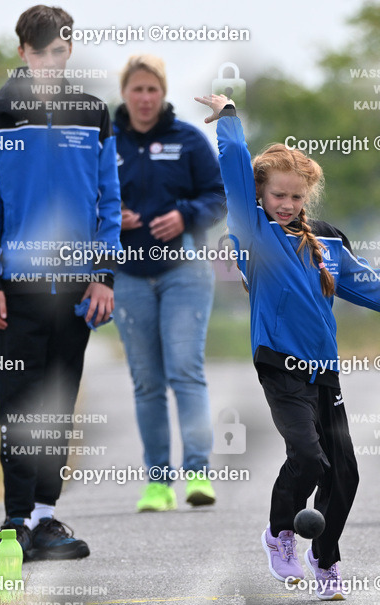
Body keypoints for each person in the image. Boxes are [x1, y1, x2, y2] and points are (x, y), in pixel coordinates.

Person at [195, 93, 380, 600]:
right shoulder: (253, 233)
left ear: (307, 198)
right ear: (260, 195)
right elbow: (233, 169)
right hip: (280, 368)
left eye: (297, 198)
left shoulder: (329, 246)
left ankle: (325, 558)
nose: (288, 205)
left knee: (345, 476)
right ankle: (279, 533)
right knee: (309, 459)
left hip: (325, 374)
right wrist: (229, 119)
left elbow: (378, 286)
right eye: (278, 195)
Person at [0, 5, 121, 563]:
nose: (49, 63)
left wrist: (103, 275)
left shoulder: (93, 113)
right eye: (39, 54)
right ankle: (13, 524)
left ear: (69, 50)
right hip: (18, 287)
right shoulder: (2, 113)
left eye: (58, 52)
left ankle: (43, 518)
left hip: (78, 289)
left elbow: (108, 199)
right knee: (18, 406)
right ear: (22, 54)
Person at [111, 54, 226, 512]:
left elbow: (218, 198)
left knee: (185, 369)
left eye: (152, 89)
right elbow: (83, 199)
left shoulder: (189, 140)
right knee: (146, 382)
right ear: (124, 93)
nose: (144, 98)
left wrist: (184, 215)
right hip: (128, 275)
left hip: (185, 269)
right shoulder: (106, 142)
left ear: (163, 93)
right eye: (136, 89)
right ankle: (157, 482)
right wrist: (109, 218)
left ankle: (197, 473)